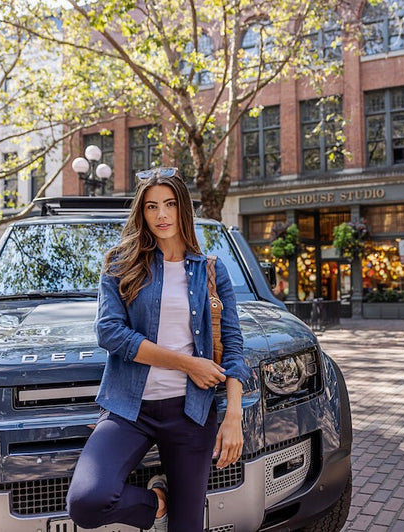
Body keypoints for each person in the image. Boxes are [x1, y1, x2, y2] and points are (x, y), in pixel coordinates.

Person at [66, 167, 251, 532]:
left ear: (183, 208)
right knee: (87, 502)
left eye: (169, 204)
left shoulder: (211, 270)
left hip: (191, 413)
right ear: (142, 213)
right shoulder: (121, 264)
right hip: (129, 409)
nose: (161, 215)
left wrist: (233, 416)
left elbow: (233, 347)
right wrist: (187, 363)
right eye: (151, 207)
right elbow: (109, 333)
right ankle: (157, 501)